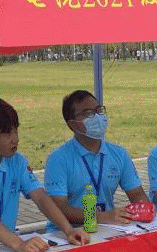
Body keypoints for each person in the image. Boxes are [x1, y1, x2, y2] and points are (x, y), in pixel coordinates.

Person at [0, 97, 90, 252]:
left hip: (5, 250)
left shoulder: (17, 161)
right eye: (7, 134)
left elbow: (40, 197)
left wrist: (68, 230)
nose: (16, 139)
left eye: (16, 130)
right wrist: (19, 244)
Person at [45, 89, 149, 226]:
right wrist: (101, 217)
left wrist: (146, 209)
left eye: (99, 110)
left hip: (108, 227)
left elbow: (136, 194)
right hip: (69, 231)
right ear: (72, 124)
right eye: (88, 113)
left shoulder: (119, 153)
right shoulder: (58, 159)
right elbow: (59, 209)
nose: (97, 117)